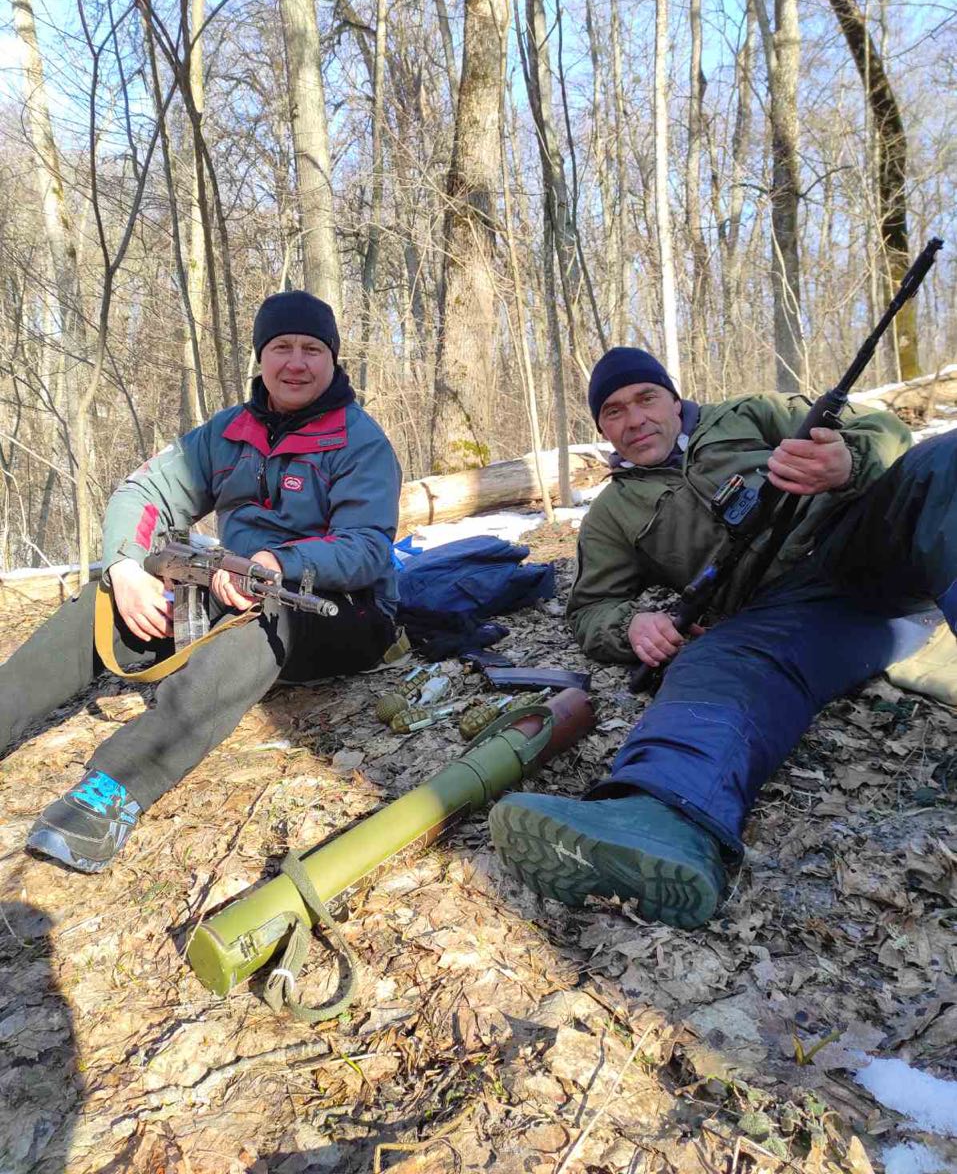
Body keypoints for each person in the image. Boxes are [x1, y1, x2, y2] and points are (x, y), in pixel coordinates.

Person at [490, 346, 957, 928]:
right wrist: (632, 626)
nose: (634, 420)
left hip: (865, 540)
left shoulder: (752, 413)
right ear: (602, 428)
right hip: (791, 615)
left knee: (947, 461)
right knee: (715, 660)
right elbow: (590, 607)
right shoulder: (612, 512)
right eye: (613, 411)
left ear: (673, 397)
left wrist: (848, 462)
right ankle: (660, 820)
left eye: (645, 398)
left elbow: (880, 426)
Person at [0, 290, 403, 873]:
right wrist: (125, 569)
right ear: (261, 358)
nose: (296, 362)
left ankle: (113, 791)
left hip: (340, 611)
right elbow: (143, 493)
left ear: (333, 360)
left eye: (312, 349)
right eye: (281, 347)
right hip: (230, 587)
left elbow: (366, 548)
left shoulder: (359, 440)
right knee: (111, 597)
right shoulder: (225, 433)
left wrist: (277, 563)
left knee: (268, 617)